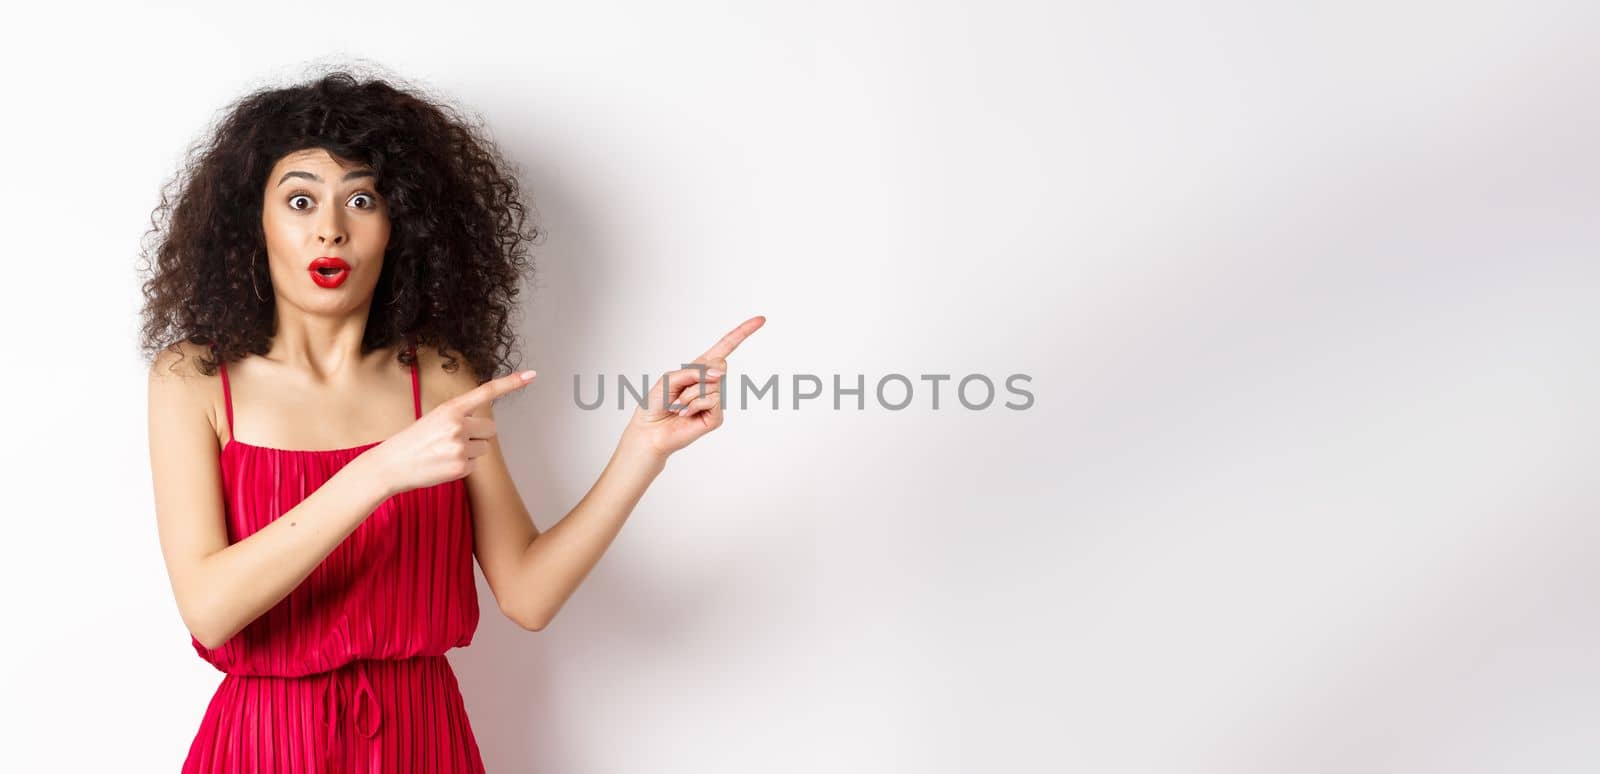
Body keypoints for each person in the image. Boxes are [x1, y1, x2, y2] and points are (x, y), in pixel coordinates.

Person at [138, 67, 764, 772]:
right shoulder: (195, 380)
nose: (331, 231)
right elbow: (209, 609)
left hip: (420, 740)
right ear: (252, 224)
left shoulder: (437, 378)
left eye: (362, 199)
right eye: (301, 201)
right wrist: (379, 471)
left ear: (401, 225)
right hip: (263, 744)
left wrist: (640, 452)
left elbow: (527, 596)